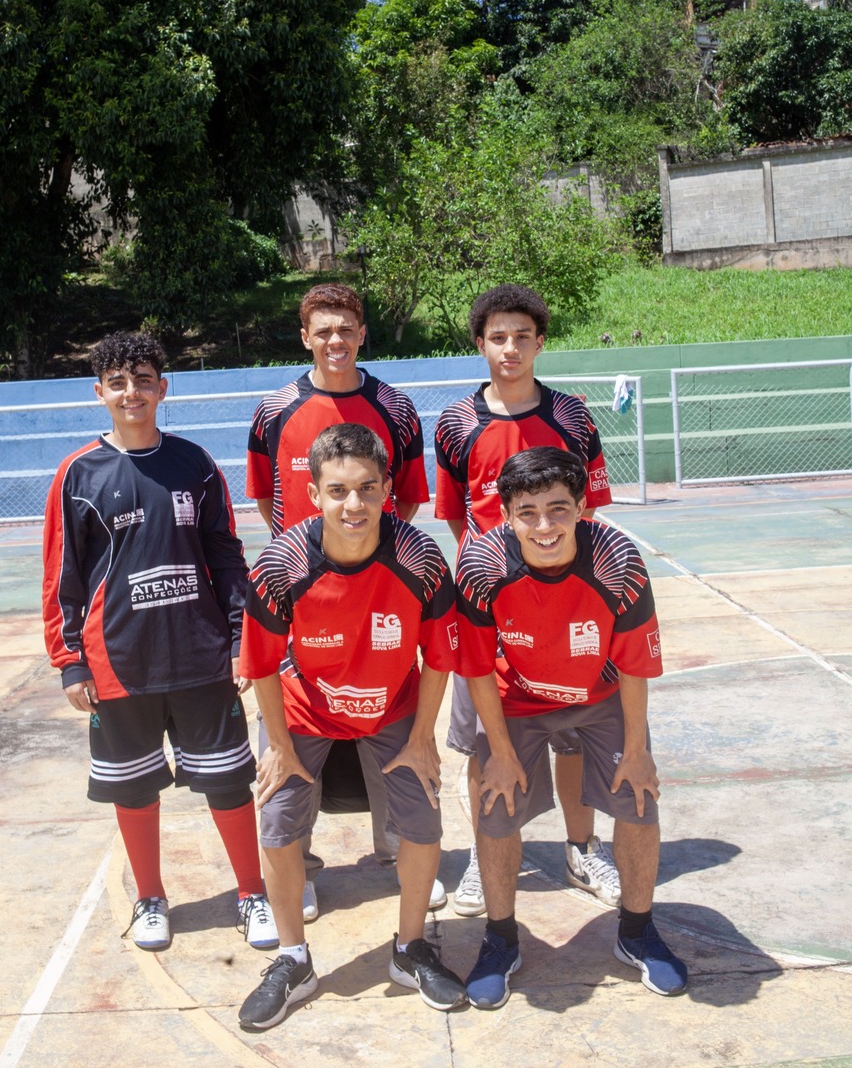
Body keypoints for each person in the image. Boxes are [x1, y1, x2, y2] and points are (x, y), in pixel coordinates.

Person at [43, 331, 277, 952]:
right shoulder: (77, 474)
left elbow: (227, 557)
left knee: (227, 781)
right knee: (133, 785)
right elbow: (62, 576)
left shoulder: (194, 464)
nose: (132, 393)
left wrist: (239, 639)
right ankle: (150, 899)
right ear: (99, 393)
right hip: (119, 660)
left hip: (201, 654)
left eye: (143, 381)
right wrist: (70, 661)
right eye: (118, 383)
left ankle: (252, 894)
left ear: (162, 388)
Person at [237, 424, 465, 1030]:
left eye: (367, 488)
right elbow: (261, 662)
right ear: (313, 494)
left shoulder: (418, 557)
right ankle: (293, 960)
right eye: (337, 491)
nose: (354, 504)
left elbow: (440, 654)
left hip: (393, 708)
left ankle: (410, 948)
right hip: (304, 708)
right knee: (278, 822)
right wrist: (279, 745)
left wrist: (422, 736)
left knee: (423, 821)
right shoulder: (283, 563)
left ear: (388, 488)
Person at [456, 447, 687, 1009]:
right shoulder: (482, 565)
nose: (544, 526)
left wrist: (638, 749)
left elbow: (634, 664)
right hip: (518, 698)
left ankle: (637, 931)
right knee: (497, 803)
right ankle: (500, 938)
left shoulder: (616, 560)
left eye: (558, 509)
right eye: (528, 512)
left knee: (638, 798)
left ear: (582, 506)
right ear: (506, 516)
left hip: (601, 695)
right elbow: (478, 667)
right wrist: (500, 752)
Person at [246, 283, 445, 918]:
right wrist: (311, 557)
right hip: (307, 595)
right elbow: (266, 497)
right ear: (305, 336)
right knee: (295, 734)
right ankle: (298, 869)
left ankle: (396, 851)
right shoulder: (274, 410)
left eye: (347, 329)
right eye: (324, 330)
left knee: (390, 713)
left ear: (363, 335)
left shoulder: (396, 406)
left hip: (380, 586)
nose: (336, 340)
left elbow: (407, 494)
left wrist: (371, 550)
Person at [434, 284, 617, 918]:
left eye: (521, 337)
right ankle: (484, 856)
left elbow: (588, 510)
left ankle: (581, 847)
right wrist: (492, 579)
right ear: (480, 344)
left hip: (566, 607)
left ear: (540, 342)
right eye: (497, 337)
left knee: (574, 733)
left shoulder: (571, 417)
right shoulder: (456, 424)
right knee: (482, 742)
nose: (509, 348)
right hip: (488, 612)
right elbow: (457, 518)